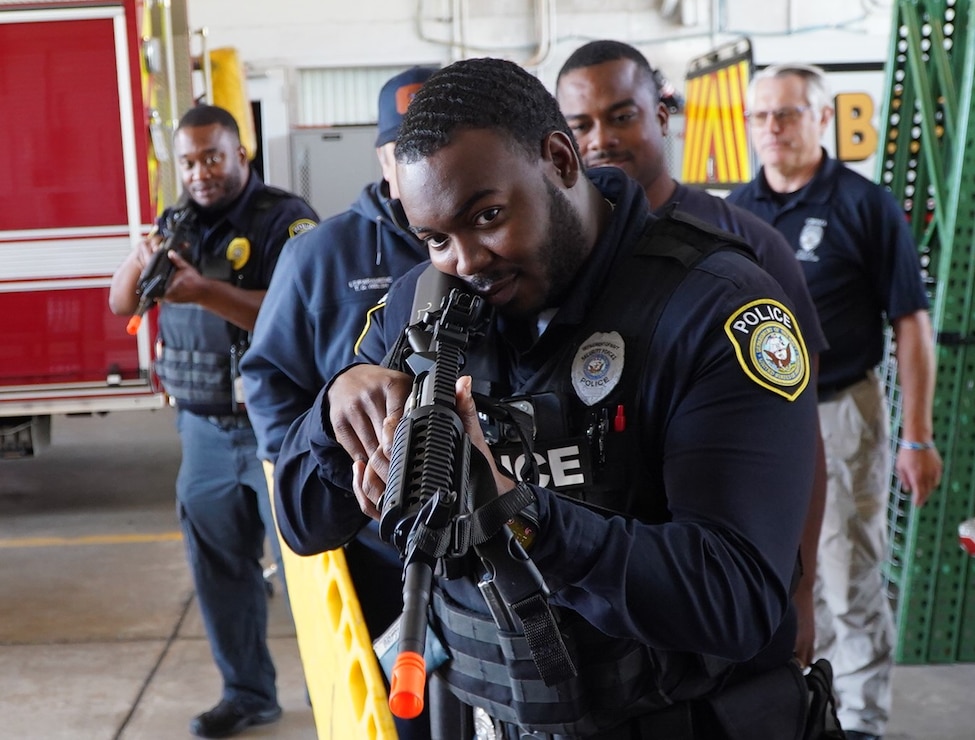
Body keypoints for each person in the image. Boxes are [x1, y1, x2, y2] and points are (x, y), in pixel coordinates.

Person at [273, 57, 821, 739]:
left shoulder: (713, 308)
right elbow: (303, 523)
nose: (466, 261)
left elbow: (735, 603)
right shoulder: (420, 308)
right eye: (436, 238)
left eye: (489, 216)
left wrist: (521, 514)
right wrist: (336, 413)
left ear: (560, 160)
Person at [554, 39, 830, 666]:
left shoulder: (747, 253)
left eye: (622, 115)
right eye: (580, 125)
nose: (600, 139)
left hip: (718, 606)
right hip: (602, 624)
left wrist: (801, 590)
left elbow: (801, 436)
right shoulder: (554, 261)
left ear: (662, 114)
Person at [727, 63, 943, 740]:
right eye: (758, 116)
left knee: (848, 577)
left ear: (822, 118)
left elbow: (910, 322)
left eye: (786, 114)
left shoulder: (863, 204)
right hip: (762, 423)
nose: (770, 129)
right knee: (786, 577)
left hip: (843, 411)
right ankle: (807, 715)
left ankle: (863, 723)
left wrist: (916, 436)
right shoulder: (736, 209)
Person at [238, 65, 437, 740]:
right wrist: (320, 465)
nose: (421, 163)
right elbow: (268, 384)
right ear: (381, 155)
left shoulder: (493, 248)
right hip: (372, 545)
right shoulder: (321, 256)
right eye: (404, 148)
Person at [108, 104, 319, 738]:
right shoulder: (174, 224)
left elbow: (300, 319)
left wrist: (203, 292)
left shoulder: (285, 219)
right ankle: (248, 693)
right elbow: (122, 303)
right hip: (201, 432)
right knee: (220, 569)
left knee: (312, 574)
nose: (200, 172)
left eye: (213, 157)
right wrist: (138, 257)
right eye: (188, 161)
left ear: (240, 155)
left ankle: (348, 690)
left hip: (276, 429)